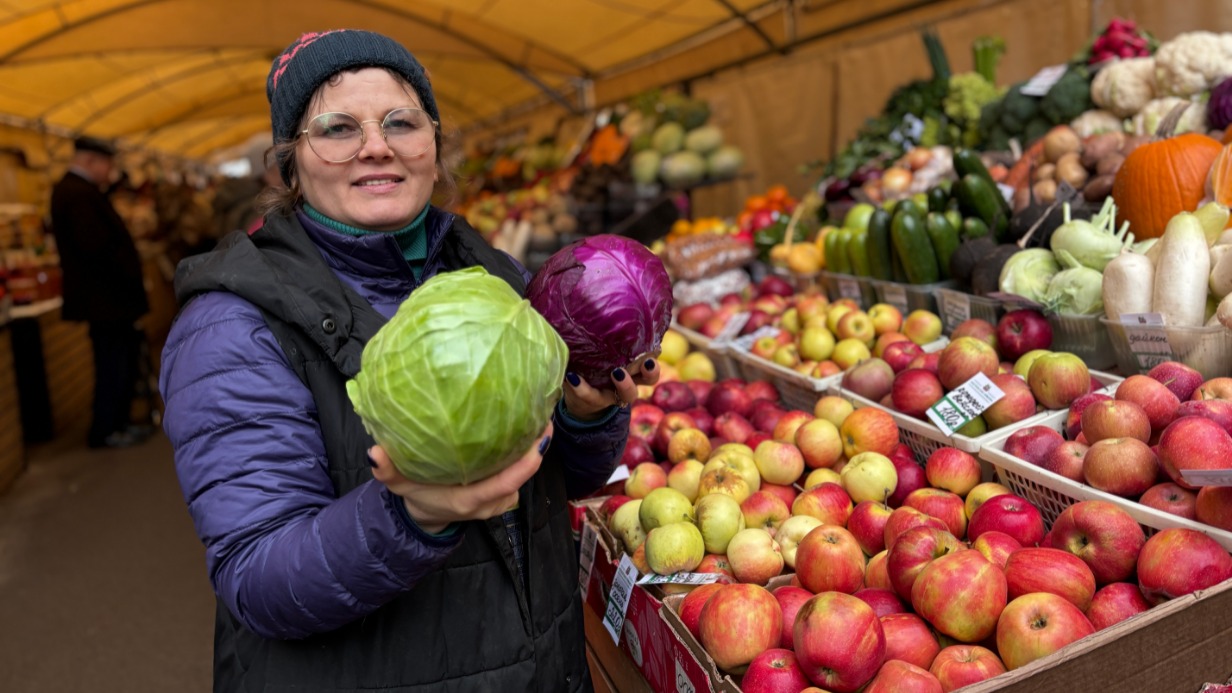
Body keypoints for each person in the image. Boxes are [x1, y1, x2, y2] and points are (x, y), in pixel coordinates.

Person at [160, 29, 655, 692]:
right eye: (337, 127)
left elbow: (551, 482)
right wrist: (410, 516)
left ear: (434, 142)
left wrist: (584, 415)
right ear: (290, 164)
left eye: (401, 121)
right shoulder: (232, 325)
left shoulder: (496, 276)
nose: (376, 145)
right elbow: (258, 575)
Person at [50, 136, 150, 449]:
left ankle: (115, 423)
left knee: (116, 362)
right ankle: (108, 428)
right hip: (106, 301)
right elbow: (96, 248)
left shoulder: (80, 191)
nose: (110, 172)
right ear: (91, 161)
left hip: (107, 300)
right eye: (107, 164)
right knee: (112, 365)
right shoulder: (77, 193)